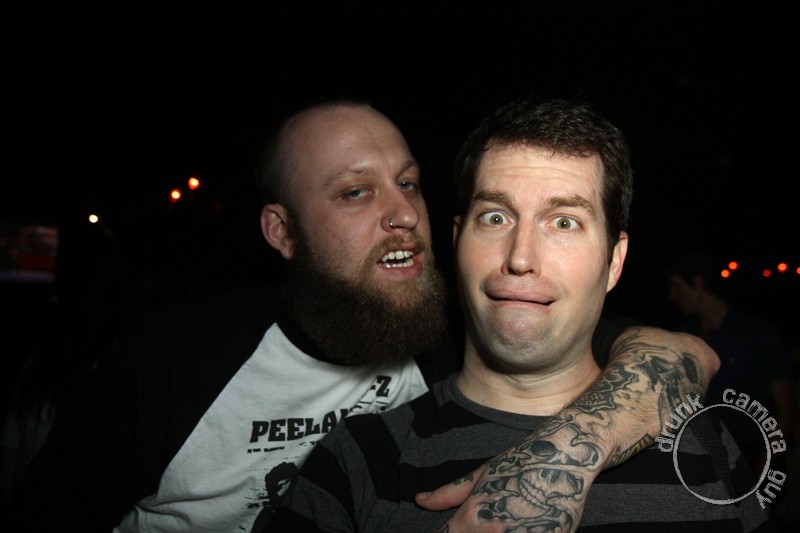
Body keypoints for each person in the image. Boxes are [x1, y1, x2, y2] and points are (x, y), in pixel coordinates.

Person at [6, 97, 718, 533]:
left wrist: (569, 448)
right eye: (356, 193)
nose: (403, 213)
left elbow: (675, 353)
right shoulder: (171, 363)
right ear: (282, 231)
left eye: (408, 183)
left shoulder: (452, 332)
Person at [265, 96, 779, 531]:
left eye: (564, 222)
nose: (521, 258)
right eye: (495, 217)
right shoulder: (355, 461)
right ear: (456, 240)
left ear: (614, 261)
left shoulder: (708, 445)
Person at [663, 250, 797, 475]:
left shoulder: (759, 334)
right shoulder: (682, 338)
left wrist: (763, 469)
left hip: (750, 457)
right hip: (697, 460)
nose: (672, 296)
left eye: (676, 286)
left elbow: (786, 408)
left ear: (697, 282)